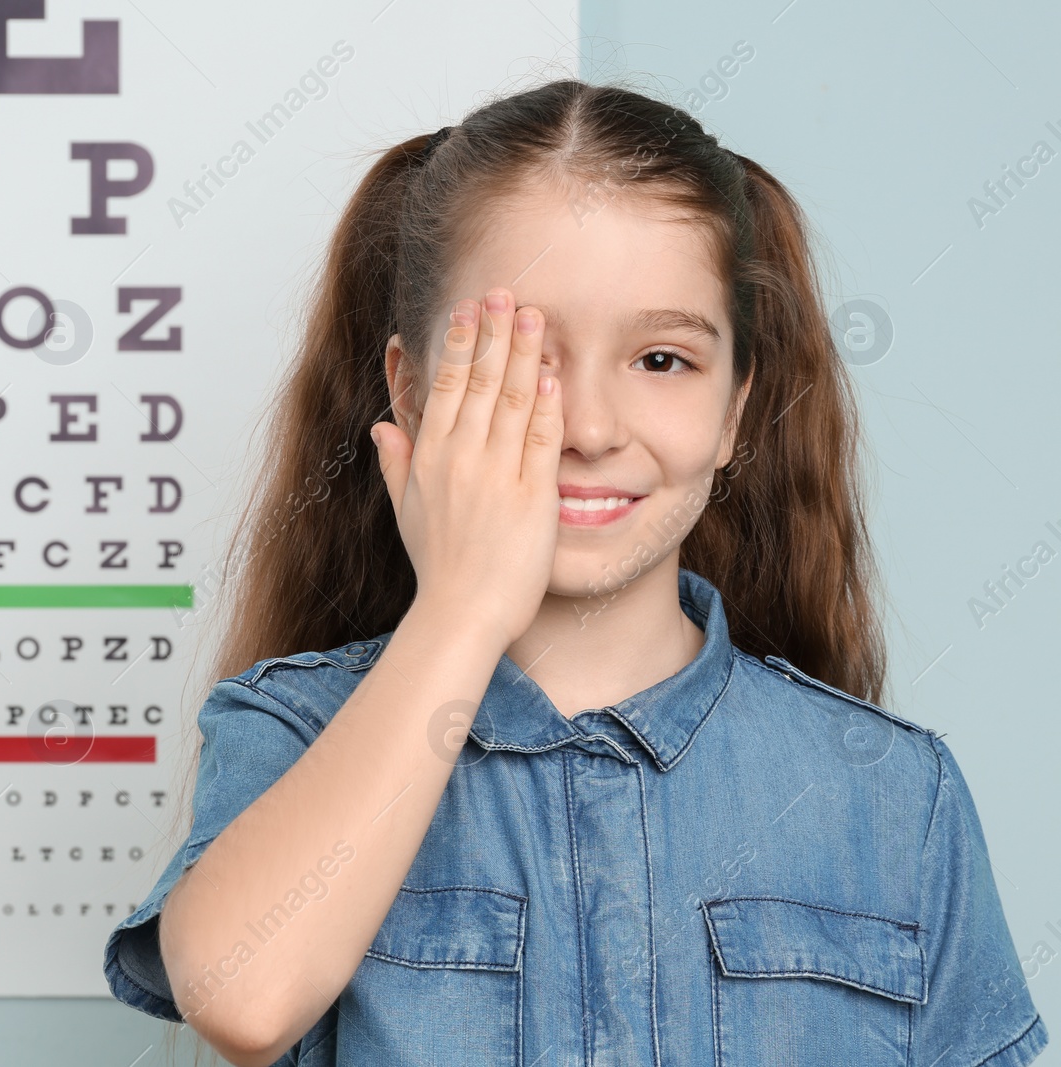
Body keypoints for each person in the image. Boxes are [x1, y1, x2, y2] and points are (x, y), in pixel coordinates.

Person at [102, 78, 1048, 1067]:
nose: (591, 430)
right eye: (527, 360)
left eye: (662, 359)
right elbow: (241, 994)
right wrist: (464, 604)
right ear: (412, 391)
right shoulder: (290, 730)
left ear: (733, 410)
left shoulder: (899, 792)